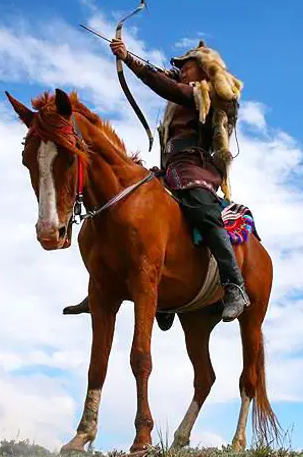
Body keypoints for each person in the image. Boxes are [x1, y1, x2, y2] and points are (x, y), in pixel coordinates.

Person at [62, 38, 248, 330]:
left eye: (186, 67)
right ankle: (102, 286)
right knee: (127, 207)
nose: (181, 71)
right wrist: (148, 66)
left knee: (203, 210)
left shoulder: (205, 93)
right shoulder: (183, 95)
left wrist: (131, 60)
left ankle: (234, 284)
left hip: (195, 167)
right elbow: (168, 82)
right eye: (179, 68)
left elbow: (167, 87)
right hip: (170, 168)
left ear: (202, 69)